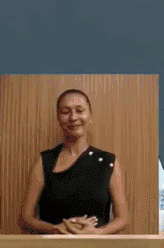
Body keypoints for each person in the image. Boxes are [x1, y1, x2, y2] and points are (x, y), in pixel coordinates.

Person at [19, 89, 128, 234]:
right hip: (54, 244)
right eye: (66, 112)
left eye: (80, 110)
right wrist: (56, 229)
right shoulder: (44, 161)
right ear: (58, 118)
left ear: (90, 116)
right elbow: (25, 219)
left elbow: (122, 218)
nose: (73, 117)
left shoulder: (108, 161)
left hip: (96, 244)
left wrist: (97, 233)